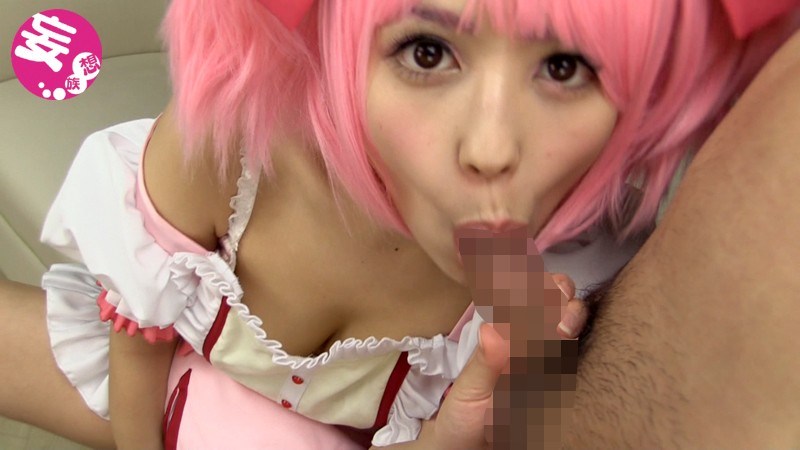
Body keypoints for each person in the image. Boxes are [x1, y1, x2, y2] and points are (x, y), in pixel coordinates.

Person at [0, 0, 797, 449]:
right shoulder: (234, 147)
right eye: (426, 53)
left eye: (564, 68)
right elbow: (137, 338)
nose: (490, 148)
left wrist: (474, 401)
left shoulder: (541, 287)